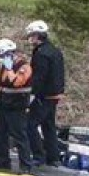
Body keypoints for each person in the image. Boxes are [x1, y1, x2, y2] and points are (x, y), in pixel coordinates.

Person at [0, 38, 35, 172]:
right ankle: (3, 160)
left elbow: (16, 82)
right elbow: (2, 83)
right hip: (4, 104)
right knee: (0, 132)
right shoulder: (6, 65)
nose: (1, 59)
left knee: (19, 135)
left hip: (17, 105)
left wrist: (10, 69)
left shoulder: (24, 67)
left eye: (2, 56)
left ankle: (25, 165)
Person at [25, 20, 65, 166]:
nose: (30, 38)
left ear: (37, 36)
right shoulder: (54, 50)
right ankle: (53, 157)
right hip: (55, 94)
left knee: (30, 124)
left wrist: (31, 94)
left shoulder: (41, 54)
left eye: (31, 35)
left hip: (44, 95)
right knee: (48, 125)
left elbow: (39, 77)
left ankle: (38, 155)